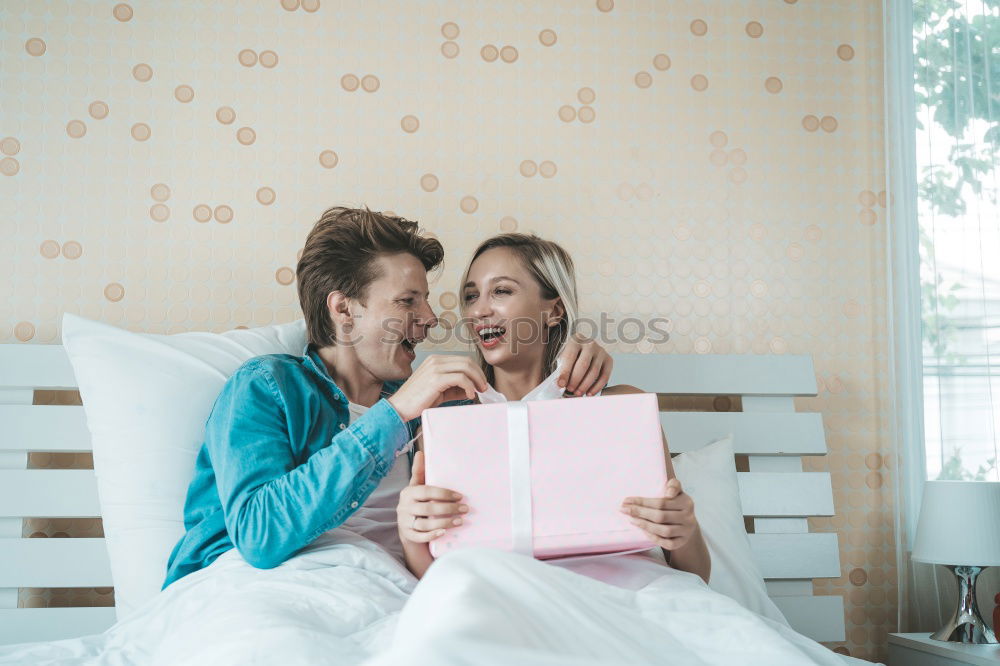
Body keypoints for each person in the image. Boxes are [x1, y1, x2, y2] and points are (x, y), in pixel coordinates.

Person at [162, 208, 613, 587]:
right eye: (408, 301)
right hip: (256, 589)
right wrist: (394, 413)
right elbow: (260, 535)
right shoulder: (267, 386)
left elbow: (530, 449)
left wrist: (577, 356)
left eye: (429, 301)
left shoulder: (436, 410)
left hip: (389, 597)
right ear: (344, 310)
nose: (433, 318)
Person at [396, 232, 711, 583]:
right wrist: (411, 534)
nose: (479, 310)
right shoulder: (446, 425)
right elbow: (435, 580)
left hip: (623, 596)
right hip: (501, 601)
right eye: (471, 296)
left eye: (501, 291)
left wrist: (684, 528)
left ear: (554, 310)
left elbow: (695, 573)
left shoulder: (621, 409)